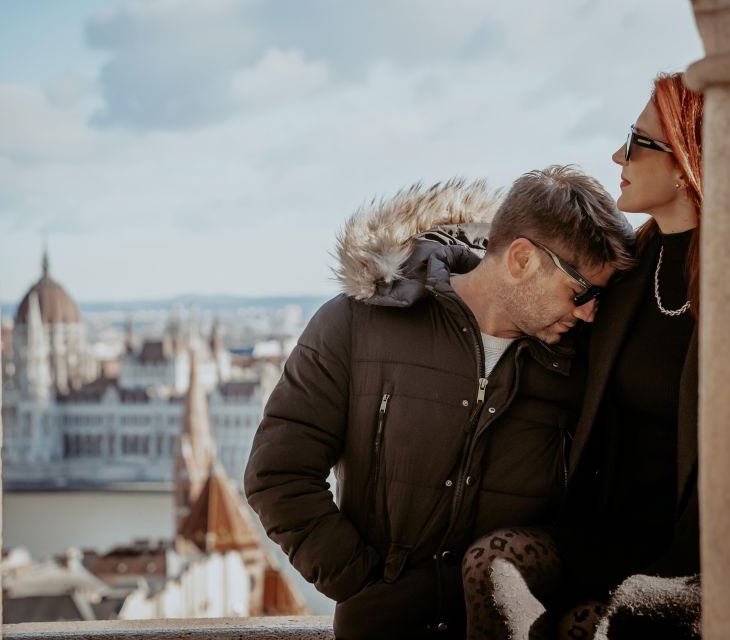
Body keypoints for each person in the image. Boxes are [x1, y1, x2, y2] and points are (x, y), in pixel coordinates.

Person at [244, 165, 635, 639]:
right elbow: (279, 475)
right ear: (521, 259)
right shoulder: (355, 323)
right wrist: (367, 584)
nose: (590, 311)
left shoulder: (586, 364)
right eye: (582, 291)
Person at [462, 72, 704, 640]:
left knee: (590, 626)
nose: (618, 153)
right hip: (601, 537)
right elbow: (525, 279)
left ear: (687, 161)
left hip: (695, 557)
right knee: (492, 564)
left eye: (641, 141)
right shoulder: (626, 273)